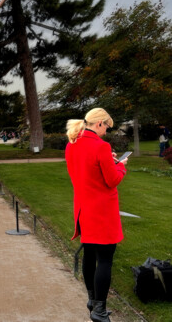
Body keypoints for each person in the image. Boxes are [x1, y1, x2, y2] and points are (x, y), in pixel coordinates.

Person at [65, 108, 128, 322]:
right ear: (99, 123)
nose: (106, 132)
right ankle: (99, 311)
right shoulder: (101, 146)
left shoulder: (72, 144)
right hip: (101, 212)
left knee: (89, 255)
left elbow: (84, 169)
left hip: (83, 209)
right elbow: (112, 180)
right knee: (105, 260)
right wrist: (120, 166)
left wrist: (107, 161)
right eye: (106, 127)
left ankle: (92, 300)